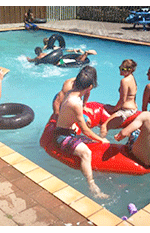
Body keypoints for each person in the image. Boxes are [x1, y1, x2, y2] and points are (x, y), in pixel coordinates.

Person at [53, 66, 110, 198]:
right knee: (86, 153)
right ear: (89, 87)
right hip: (61, 136)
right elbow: (85, 130)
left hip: (66, 130)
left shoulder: (71, 93)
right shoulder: (76, 103)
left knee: (91, 144)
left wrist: (76, 120)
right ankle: (92, 186)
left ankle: (97, 174)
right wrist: (101, 139)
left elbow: (65, 111)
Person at [100, 59, 138, 138]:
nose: (121, 70)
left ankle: (100, 142)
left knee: (104, 126)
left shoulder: (124, 81)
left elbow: (122, 100)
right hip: (133, 108)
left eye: (123, 69)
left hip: (126, 111)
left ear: (130, 70)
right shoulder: (132, 77)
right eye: (120, 68)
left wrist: (114, 109)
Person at [27, 47, 97, 65]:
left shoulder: (37, 58)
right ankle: (84, 54)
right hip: (60, 60)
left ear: (36, 53)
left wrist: (28, 59)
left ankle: (85, 54)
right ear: (41, 51)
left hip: (58, 63)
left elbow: (31, 61)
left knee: (77, 62)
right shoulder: (45, 54)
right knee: (74, 60)